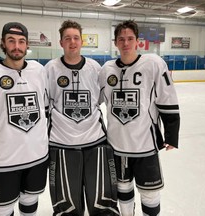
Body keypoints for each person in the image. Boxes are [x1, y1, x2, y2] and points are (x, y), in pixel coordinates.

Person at [99, 20, 180, 216]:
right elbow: (94, 102)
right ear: (115, 42)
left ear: (138, 41)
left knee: (150, 194)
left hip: (145, 145)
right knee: (123, 189)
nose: (125, 43)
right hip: (117, 146)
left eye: (130, 39)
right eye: (121, 39)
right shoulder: (107, 69)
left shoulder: (153, 64)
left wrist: (171, 134)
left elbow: (167, 98)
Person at [0, 22, 49, 216]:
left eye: (21, 41)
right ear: (2, 43)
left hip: (37, 156)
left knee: (30, 200)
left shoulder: (38, 71)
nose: (17, 46)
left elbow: (45, 111)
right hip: (5, 159)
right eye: (11, 41)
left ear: (27, 44)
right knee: (1, 209)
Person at [45, 20, 119, 216]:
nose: (72, 42)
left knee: (102, 203)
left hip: (95, 141)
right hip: (61, 143)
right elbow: (46, 104)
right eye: (67, 38)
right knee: (67, 206)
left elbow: (102, 99)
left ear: (82, 41)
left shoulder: (95, 68)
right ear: (61, 42)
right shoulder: (50, 69)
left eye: (76, 38)